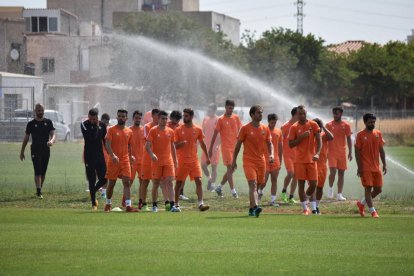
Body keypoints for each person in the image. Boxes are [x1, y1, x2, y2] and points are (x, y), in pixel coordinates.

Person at [232, 105, 273, 217]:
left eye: (261, 112)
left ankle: (251, 209)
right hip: (248, 161)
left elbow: (270, 143)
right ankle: (256, 206)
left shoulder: (265, 128)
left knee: (259, 185)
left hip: (261, 161)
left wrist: (271, 155)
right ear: (252, 115)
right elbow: (238, 146)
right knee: (253, 185)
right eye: (258, 113)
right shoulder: (245, 128)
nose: (261, 114)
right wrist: (234, 160)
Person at [174, 108, 210, 212]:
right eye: (184, 116)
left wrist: (207, 157)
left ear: (191, 117)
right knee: (178, 183)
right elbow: (174, 145)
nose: (184, 118)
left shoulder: (198, 129)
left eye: (186, 116)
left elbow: (202, 144)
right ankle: (176, 204)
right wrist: (181, 143)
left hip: (194, 160)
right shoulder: (178, 130)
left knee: (199, 180)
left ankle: (200, 204)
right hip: (182, 160)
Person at [288, 105, 321, 215]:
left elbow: (319, 141)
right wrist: (301, 137)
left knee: (313, 184)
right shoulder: (294, 127)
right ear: (297, 114)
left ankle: (306, 199)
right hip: (300, 160)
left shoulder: (313, 124)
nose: (302, 115)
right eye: (300, 114)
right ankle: (305, 209)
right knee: (301, 184)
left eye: (304, 113)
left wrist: (317, 153)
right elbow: (291, 144)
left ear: (306, 113)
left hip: (312, 160)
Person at [104, 109, 138, 212]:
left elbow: (129, 146)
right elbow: (107, 144)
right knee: (111, 184)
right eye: (119, 116)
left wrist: (131, 156)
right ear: (117, 117)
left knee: (127, 183)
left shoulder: (129, 131)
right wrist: (112, 155)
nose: (121, 118)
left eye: (123, 116)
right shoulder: (111, 130)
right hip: (113, 160)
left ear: (126, 118)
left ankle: (128, 206)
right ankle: (108, 204)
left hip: (125, 160)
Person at [20, 103, 56, 199]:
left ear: (44, 111)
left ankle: (39, 189)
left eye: (42, 110)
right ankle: (39, 192)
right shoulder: (31, 124)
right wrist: (22, 151)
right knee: (37, 171)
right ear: (35, 111)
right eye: (38, 110)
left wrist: (51, 141)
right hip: (35, 150)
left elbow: (53, 134)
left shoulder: (48, 122)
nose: (40, 112)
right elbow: (26, 138)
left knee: (43, 172)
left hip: (46, 150)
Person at [355, 113, 387, 218]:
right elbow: (357, 152)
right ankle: (373, 211)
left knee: (378, 189)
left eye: (373, 122)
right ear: (365, 122)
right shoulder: (360, 135)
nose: (372, 124)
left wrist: (384, 164)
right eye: (370, 122)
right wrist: (359, 167)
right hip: (365, 167)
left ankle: (361, 203)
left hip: (376, 167)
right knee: (368, 189)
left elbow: (381, 150)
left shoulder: (378, 133)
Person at [145, 110, 178, 212]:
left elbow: (172, 146)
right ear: (158, 119)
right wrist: (152, 154)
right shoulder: (153, 131)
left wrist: (175, 159)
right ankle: (154, 206)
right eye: (162, 118)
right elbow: (147, 146)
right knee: (156, 184)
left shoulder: (170, 131)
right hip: (156, 162)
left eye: (165, 119)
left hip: (168, 161)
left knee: (170, 182)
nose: (164, 120)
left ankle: (172, 205)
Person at [208, 100, 242, 198]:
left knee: (232, 170)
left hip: (235, 148)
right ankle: (233, 192)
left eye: (232, 108)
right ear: (225, 107)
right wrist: (210, 149)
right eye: (229, 108)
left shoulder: (236, 118)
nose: (230, 110)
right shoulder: (221, 119)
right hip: (226, 148)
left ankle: (219, 187)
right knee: (230, 168)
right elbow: (215, 135)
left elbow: (241, 131)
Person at [81, 108, 108, 210]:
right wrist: (96, 126)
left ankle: (93, 190)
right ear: (88, 117)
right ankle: (93, 203)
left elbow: (104, 141)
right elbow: (92, 137)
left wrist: (110, 153)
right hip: (89, 156)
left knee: (104, 178)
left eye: (94, 119)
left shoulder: (103, 125)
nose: (92, 121)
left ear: (97, 117)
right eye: (91, 119)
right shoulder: (84, 125)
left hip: (100, 156)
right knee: (92, 180)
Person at [325, 106, 353, 201]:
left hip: (342, 153)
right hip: (331, 152)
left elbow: (349, 139)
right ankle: (330, 189)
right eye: (334, 113)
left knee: (341, 174)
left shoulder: (346, 125)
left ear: (341, 114)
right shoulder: (328, 125)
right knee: (333, 172)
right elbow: (324, 138)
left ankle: (339, 194)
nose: (335, 115)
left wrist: (350, 152)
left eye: (336, 113)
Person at [258, 113, 283, 207]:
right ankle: (259, 191)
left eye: (275, 122)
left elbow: (280, 148)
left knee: (274, 180)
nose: (273, 124)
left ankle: (272, 200)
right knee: (264, 180)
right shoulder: (263, 130)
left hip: (275, 160)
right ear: (268, 122)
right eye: (272, 122)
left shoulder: (278, 131)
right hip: (265, 159)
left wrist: (280, 160)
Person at [139, 109, 160, 211]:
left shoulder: (163, 128)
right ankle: (143, 203)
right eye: (157, 116)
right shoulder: (147, 127)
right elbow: (148, 141)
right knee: (145, 181)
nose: (158, 118)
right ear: (152, 116)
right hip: (147, 158)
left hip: (157, 159)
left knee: (156, 182)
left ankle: (155, 204)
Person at [312, 118, 333, 214]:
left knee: (320, 188)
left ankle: (316, 206)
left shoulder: (323, 135)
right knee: (313, 187)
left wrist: (323, 126)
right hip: (312, 164)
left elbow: (331, 137)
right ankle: (313, 208)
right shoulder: (310, 136)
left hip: (323, 166)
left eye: (318, 125)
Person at [167, 110, 189, 201]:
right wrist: (180, 144)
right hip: (168, 154)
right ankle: (171, 193)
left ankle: (180, 193)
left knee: (182, 174)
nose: (176, 121)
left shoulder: (180, 127)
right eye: (174, 119)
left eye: (178, 119)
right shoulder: (167, 126)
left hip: (179, 155)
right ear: (171, 118)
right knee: (170, 176)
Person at [280, 107, 299, 204]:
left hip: (297, 155)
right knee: (291, 173)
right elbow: (280, 140)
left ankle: (291, 196)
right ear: (295, 114)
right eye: (299, 114)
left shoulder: (299, 126)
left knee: (296, 176)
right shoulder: (286, 126)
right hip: (287, 154)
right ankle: (284, 191)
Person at [201, 103, 220, 192]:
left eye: (210, 110)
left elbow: (220, 134)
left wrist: (217, 145)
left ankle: (213, 185)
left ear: (214, 110)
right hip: (206, 146)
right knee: (203, 165)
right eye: (208, 109)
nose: (208, 111)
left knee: (213, 167)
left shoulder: (218, 120)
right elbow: (203, 132)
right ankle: (209, 178)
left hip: (215, 147)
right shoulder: (205, 119)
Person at [129, 111, 144, 208]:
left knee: (143, 182)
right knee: (129, 182)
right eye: (136, 118)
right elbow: (126, 145)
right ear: (133, 118)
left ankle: (141, 202)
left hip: (142, 161)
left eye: (139, 118)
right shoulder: (129, 130)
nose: (138, 120)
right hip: (132, 161)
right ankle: (125, 201)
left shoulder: (144, 130)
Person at [100, 113, 110, 198]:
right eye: (104, 121)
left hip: (107, 155)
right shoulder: (97, 129)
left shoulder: (109, 130)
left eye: (107, 122)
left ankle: (104, 192)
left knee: (106, 174)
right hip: (97, 154)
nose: (105, 123)